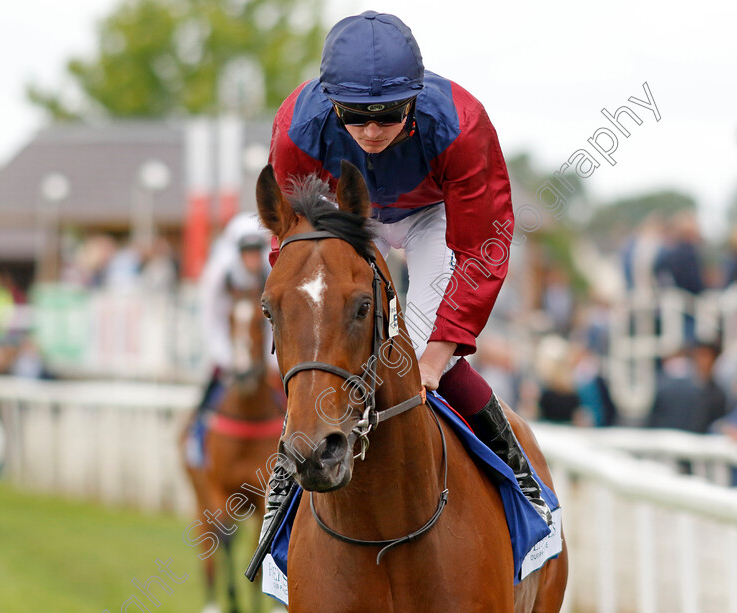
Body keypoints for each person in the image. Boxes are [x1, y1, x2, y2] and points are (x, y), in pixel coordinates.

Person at [258, 10, 552, 549]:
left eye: (389, 114)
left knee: (415, 353)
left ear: (415, 98)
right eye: (355, 115)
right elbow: (290, 243)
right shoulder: (296, 128)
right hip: (342, 210)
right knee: (322, 336)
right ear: (331, 101)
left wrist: (438, 355)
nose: (371, 131)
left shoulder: (462, 125)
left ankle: (520, 476)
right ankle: (283, 486)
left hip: (433, 215)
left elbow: (481, 249)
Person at [184, 213, 273, 467]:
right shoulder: (217, 275)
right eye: (248, 252)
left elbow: (276, 321)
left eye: (258, 251)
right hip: (226, 338)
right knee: (213, 385)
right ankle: (197, 436)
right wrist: (224, 358)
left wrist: (271, 360)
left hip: (261, 343)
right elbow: (211, 319)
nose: (254, 258)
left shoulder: (271, 270)